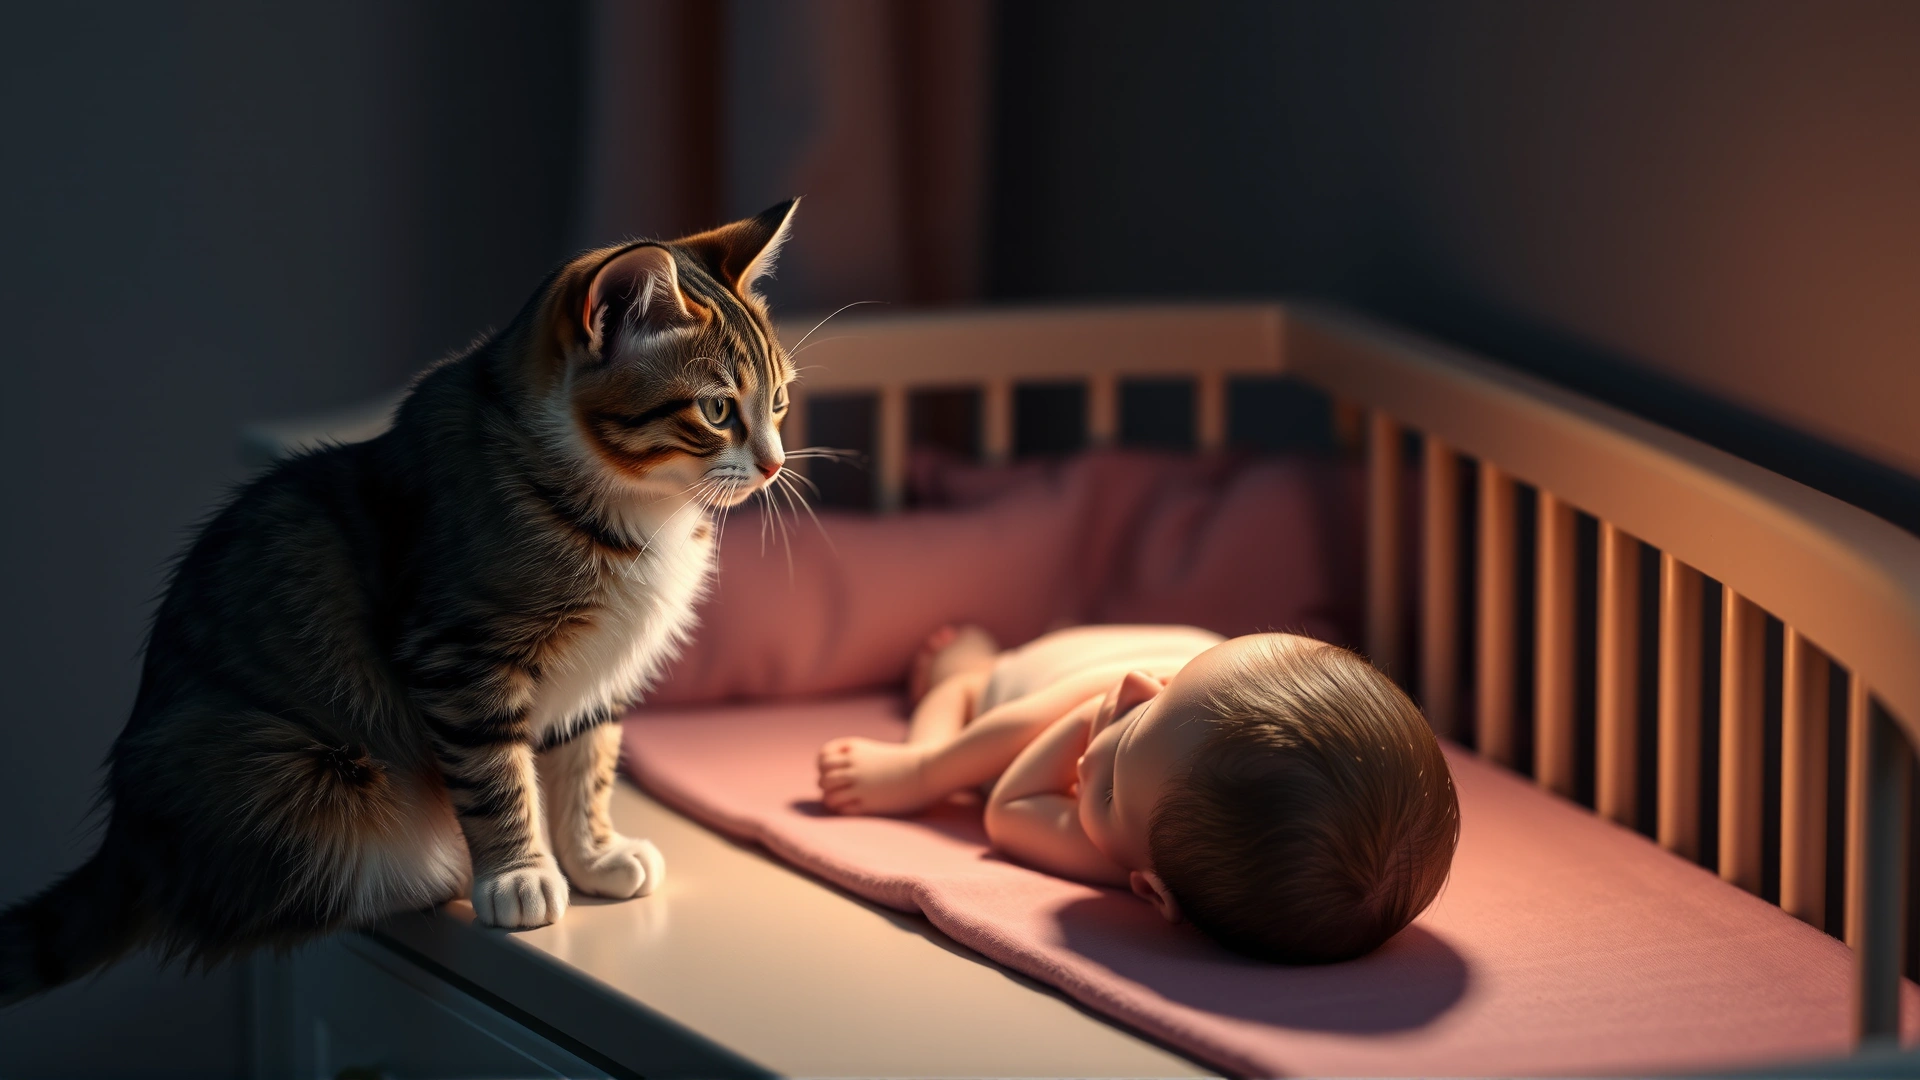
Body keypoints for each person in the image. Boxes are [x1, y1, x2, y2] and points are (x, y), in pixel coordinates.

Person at [817, 624, 1459, 963]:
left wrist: (926, 772)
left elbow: (1006, 808)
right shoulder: (1178, 726)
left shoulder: (1135, 855)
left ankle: (971, 665)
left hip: (1019, 689)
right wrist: (1116, 748)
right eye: (1164, 692)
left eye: (1118, 767)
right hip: (1131, 649)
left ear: (1151, 889)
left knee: (957, 692)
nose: (1127, 689)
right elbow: (1114, 686)